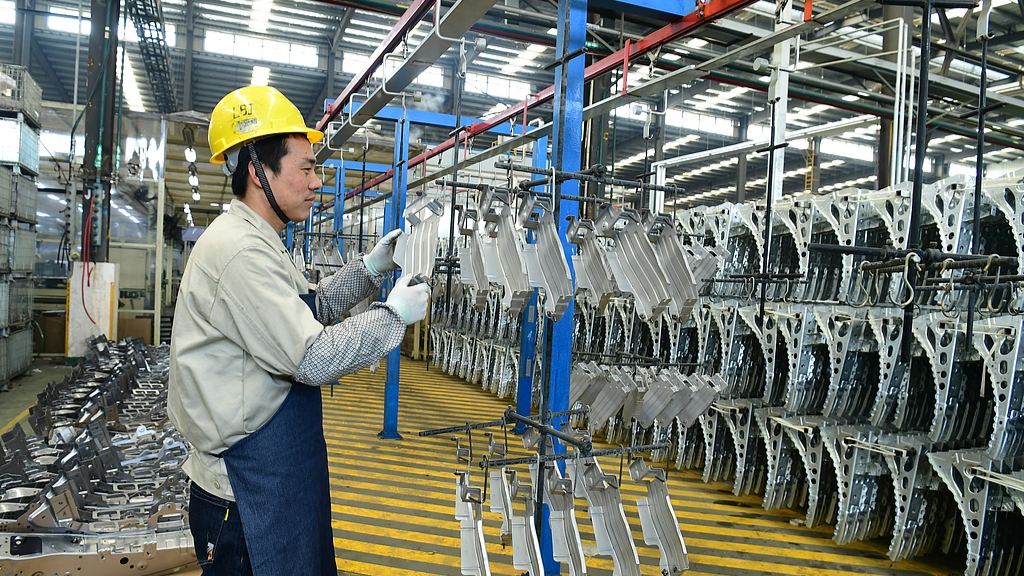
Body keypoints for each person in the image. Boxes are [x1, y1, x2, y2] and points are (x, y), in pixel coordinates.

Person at [168, 85, 430, 576]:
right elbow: (311, 357)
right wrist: (392, 316)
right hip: (245, 493)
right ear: (258, 171)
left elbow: (312, 307)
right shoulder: (241, 252)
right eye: (306, 168)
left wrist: (370, 269)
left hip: (269, 474)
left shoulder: (262, 240)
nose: (317, 182)